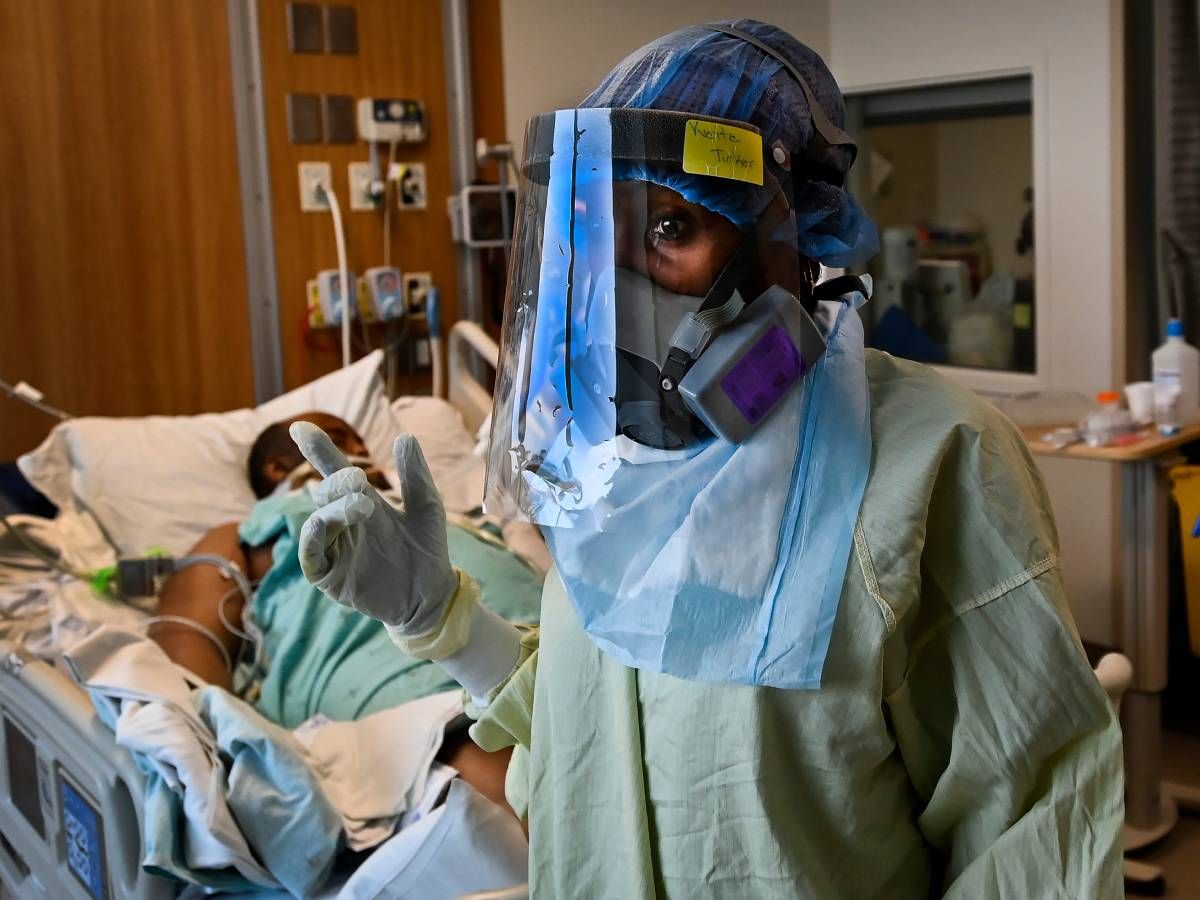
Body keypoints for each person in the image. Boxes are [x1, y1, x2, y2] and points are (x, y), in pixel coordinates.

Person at [290, 21, 1124, 898]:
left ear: (794, 242)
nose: (613, 290)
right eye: (592, 230)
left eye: (670, 227)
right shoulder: (610, 471)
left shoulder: (936, 459)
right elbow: (586, 765)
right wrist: (447, 627)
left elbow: (1036, 841)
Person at [149, 411, 543, 811]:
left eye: (360, 443)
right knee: (521, 781)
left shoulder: (458, 517)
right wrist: (223, 765)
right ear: (277, 468)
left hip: (542, 644)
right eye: (339, 438)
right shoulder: (249, 530)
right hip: (402, 680)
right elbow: (187, 651)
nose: (357, 450)